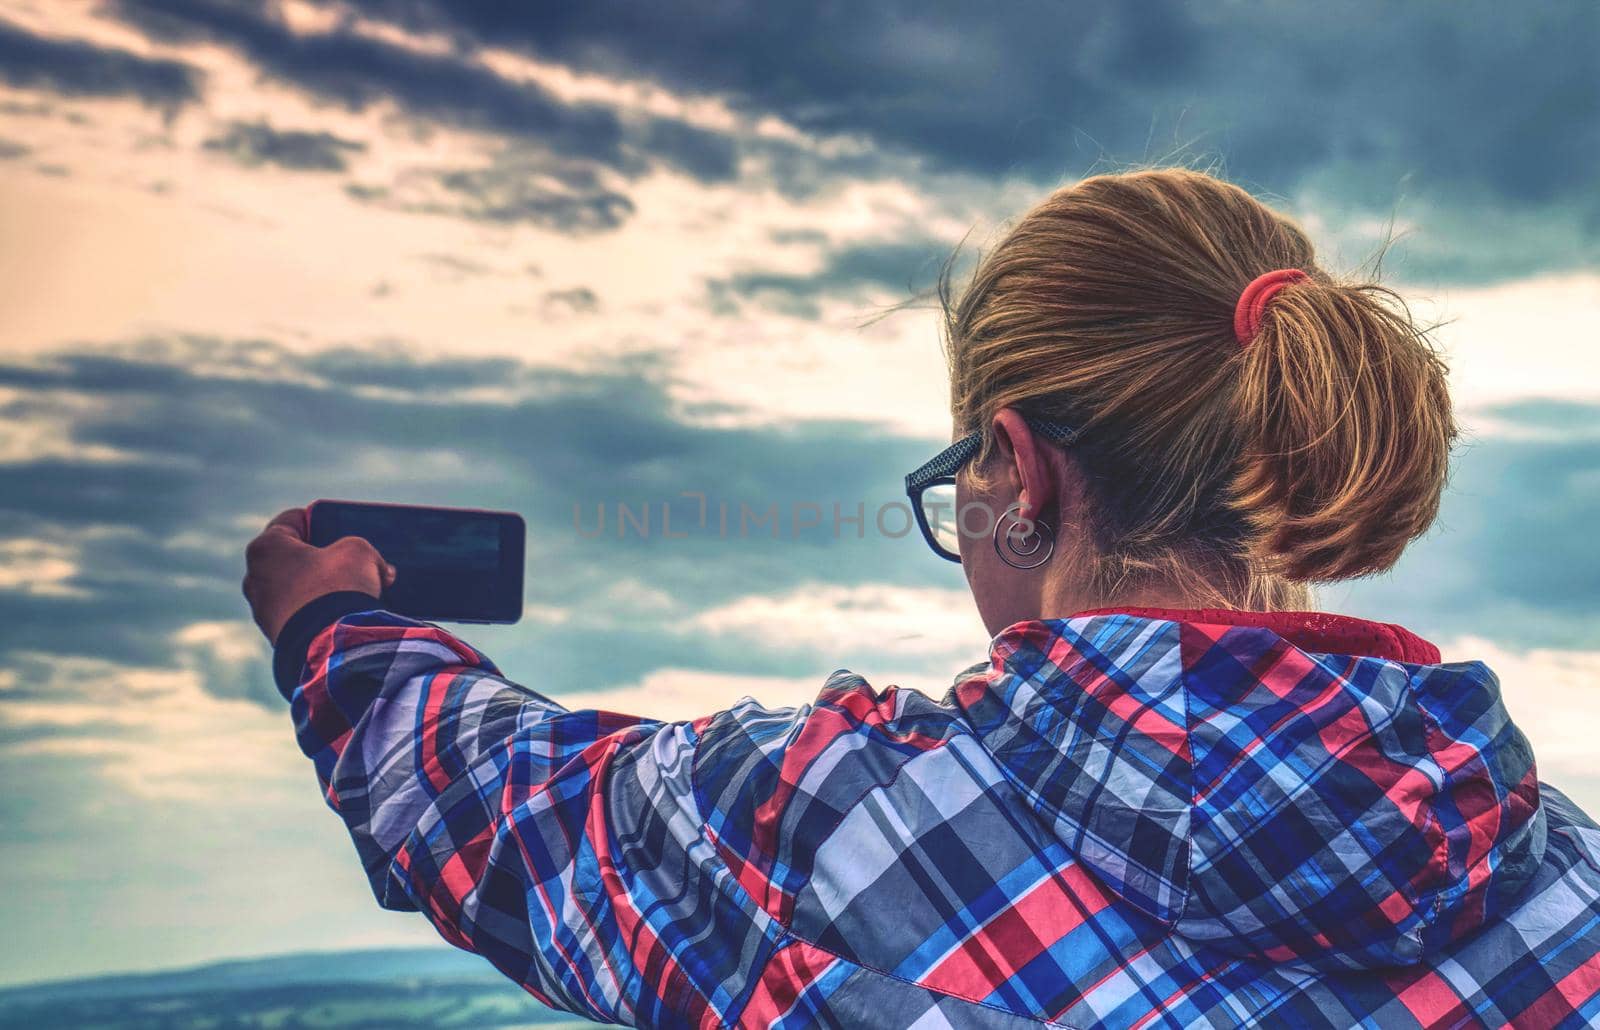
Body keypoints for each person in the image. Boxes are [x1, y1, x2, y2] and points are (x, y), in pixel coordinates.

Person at [243, 168, 1600, 1028]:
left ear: (1018, 473)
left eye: (958, 479)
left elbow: (506, 808)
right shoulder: (1564, 874)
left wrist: (331, 626)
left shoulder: (831, 830)